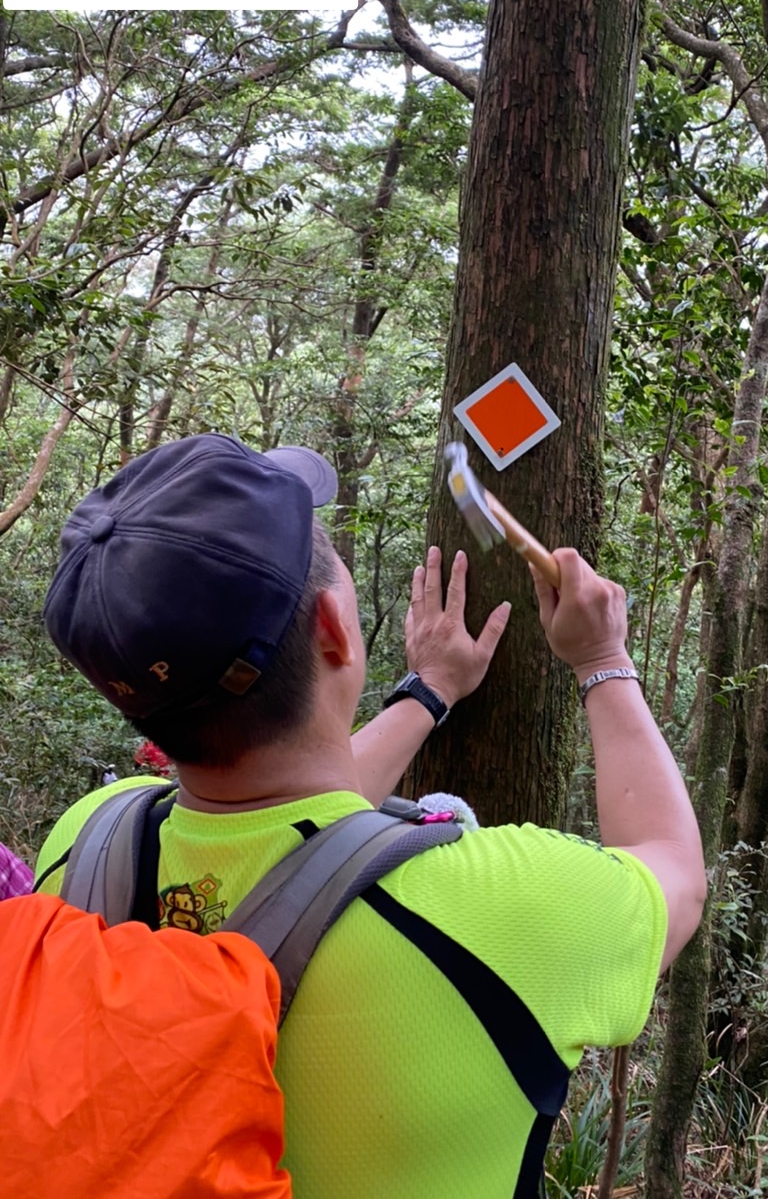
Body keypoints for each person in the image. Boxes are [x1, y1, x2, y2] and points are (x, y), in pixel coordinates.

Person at [35, 433, 706, 1199]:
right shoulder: (500, 914)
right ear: (333, 627)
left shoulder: (86, 847)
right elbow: (676, 874)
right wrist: (603, 660)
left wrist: (430, 693)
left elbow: (305, 834)